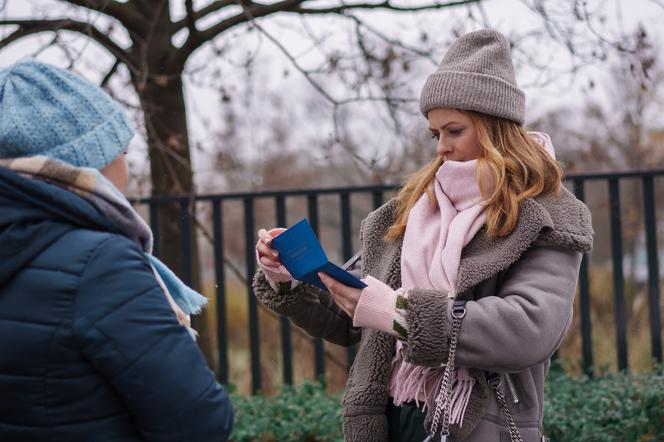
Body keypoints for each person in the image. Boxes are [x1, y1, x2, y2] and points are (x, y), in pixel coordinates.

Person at [253, 29, 593, 442]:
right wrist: (288, 274)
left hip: (477, 424)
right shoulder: (412, 209)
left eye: (454, 131)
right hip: (389, 422)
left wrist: (399, 312)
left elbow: (529, 329)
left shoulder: (546, 214)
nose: (441, 148)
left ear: (493, 127)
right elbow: (353, 318)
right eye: (435, 134)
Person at [0, 60, 233, 441]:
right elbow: (200, 421)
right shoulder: (99, 263)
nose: (126, 162)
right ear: (91, 160)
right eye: (122, 149)